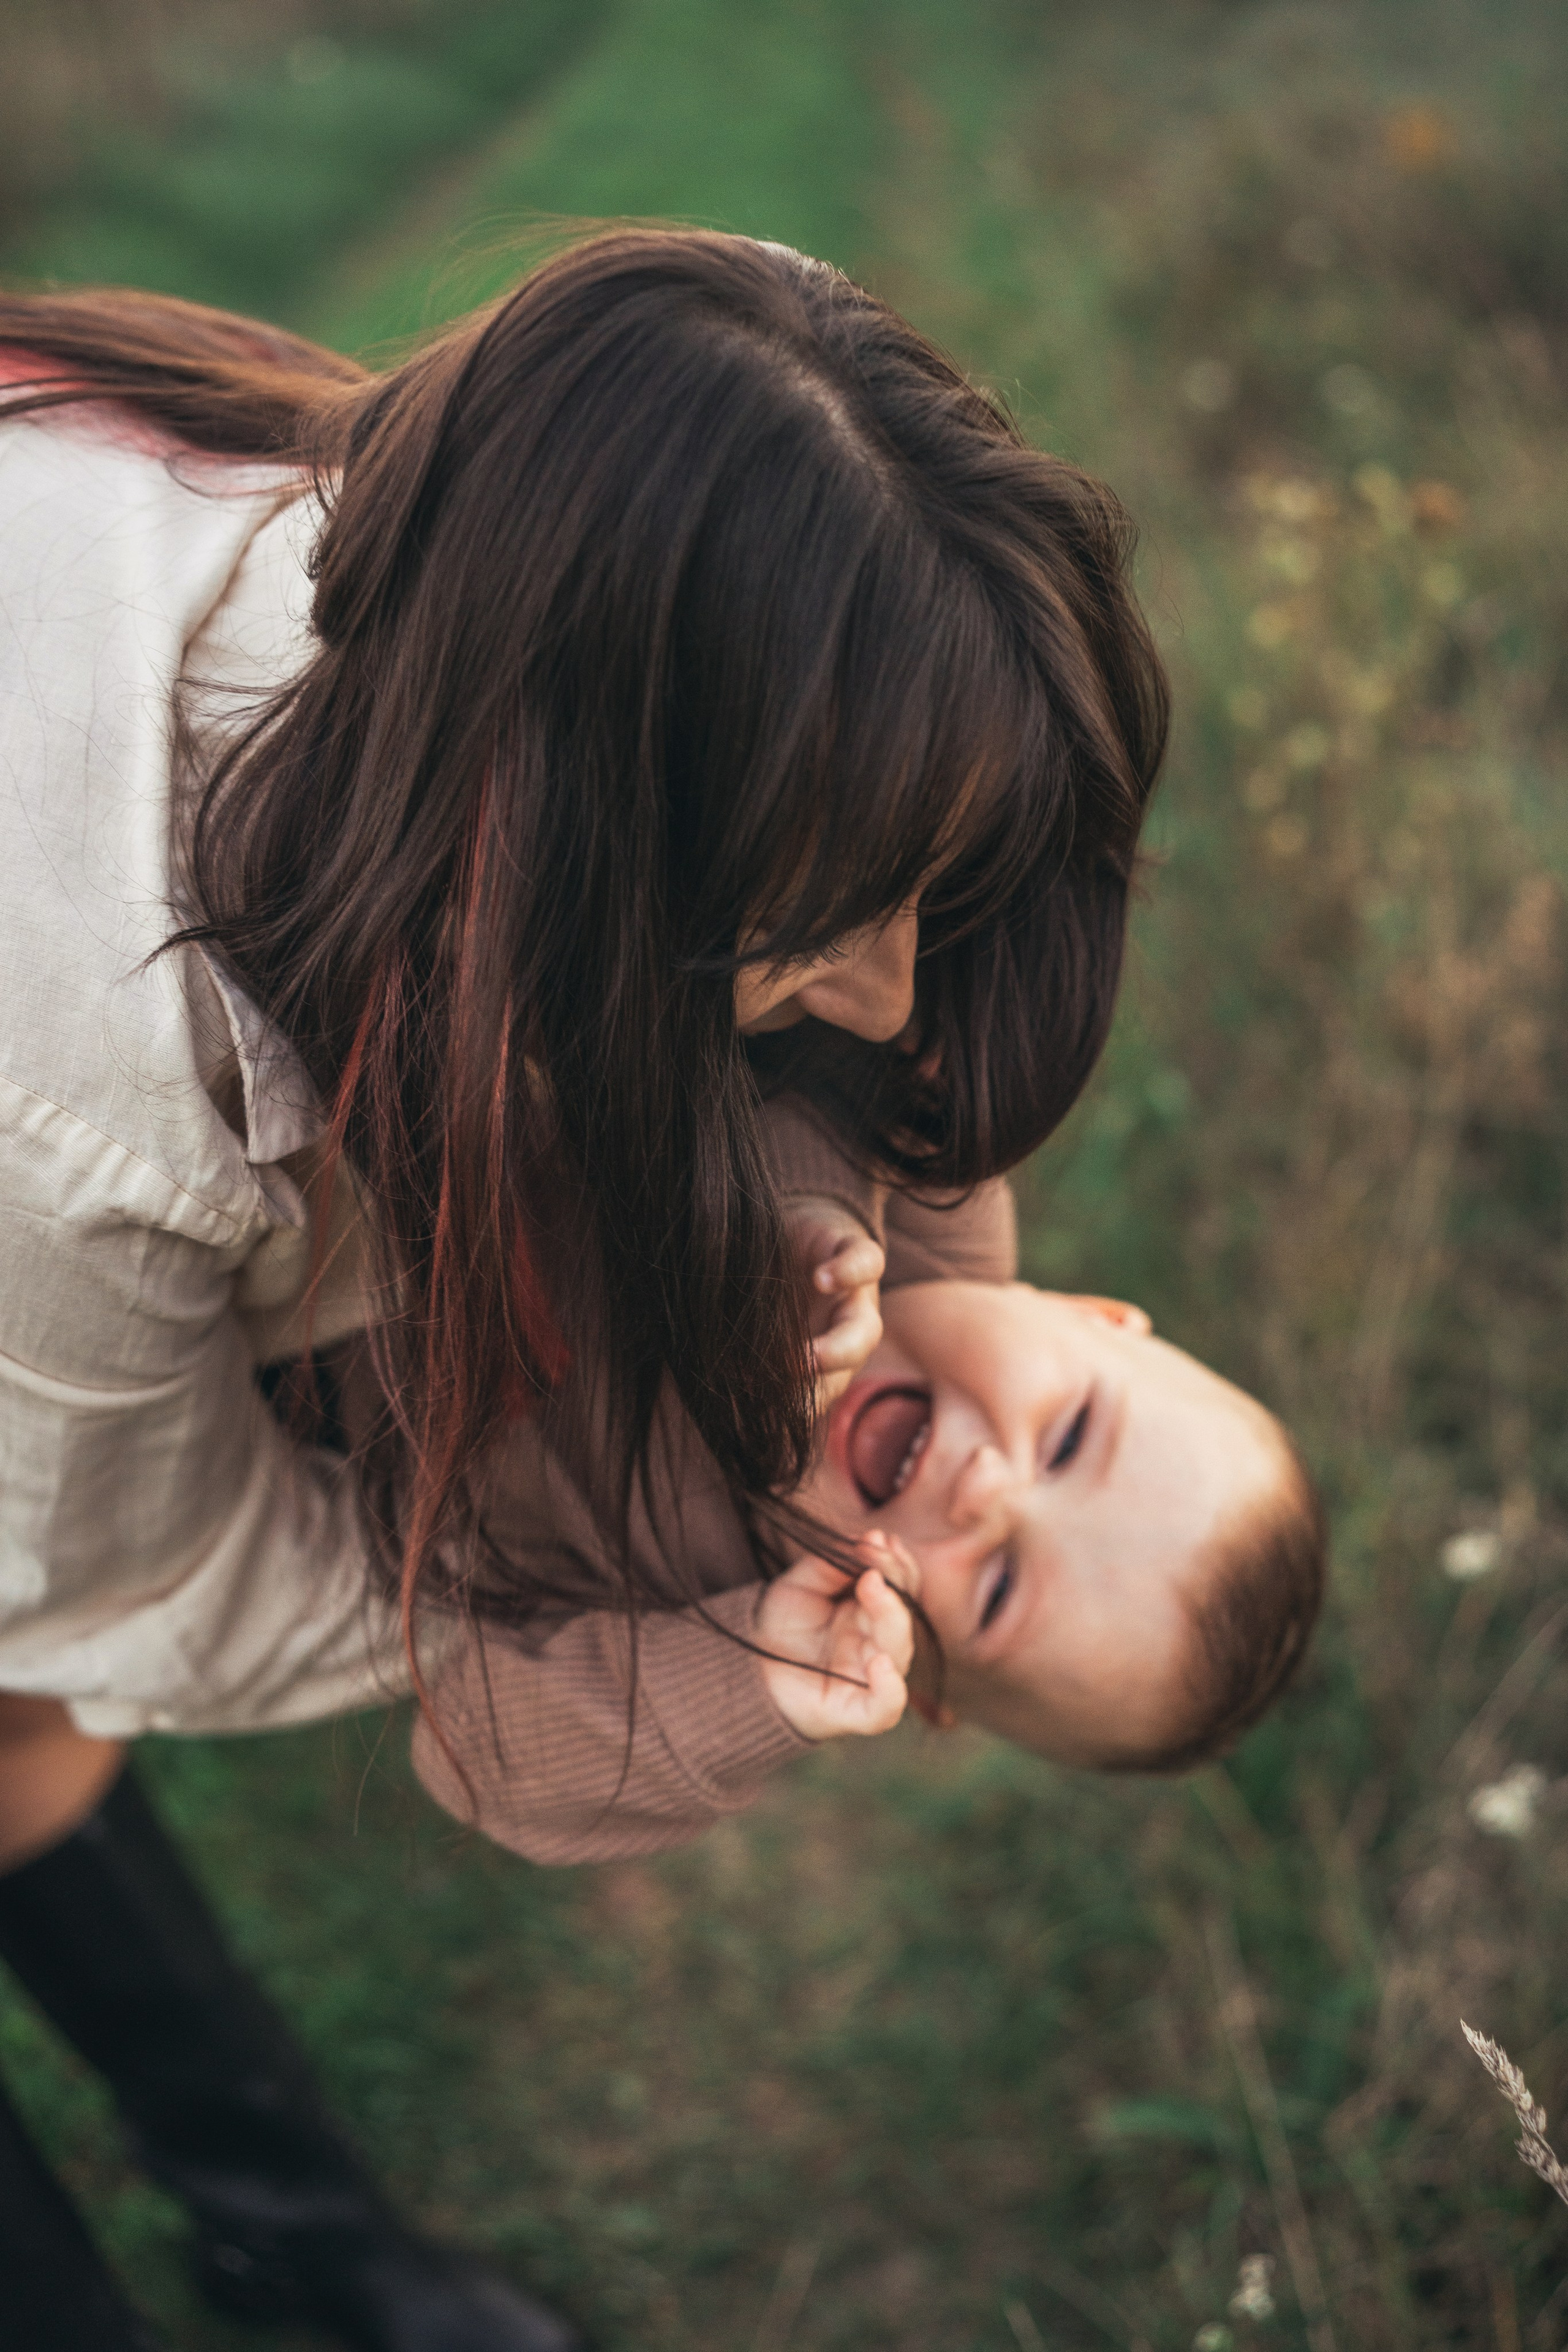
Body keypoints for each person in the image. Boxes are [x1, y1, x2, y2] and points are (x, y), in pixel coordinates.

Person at [0, 228, 1169, 2350]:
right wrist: (641, 1623)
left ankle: (288, 2226)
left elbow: (915, 1166)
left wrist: (884, 1299)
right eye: (830, 912)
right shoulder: (77, 1081)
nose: (893, 991)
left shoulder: (532, 601)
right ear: (568, 843)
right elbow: (123, 1581)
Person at [413, 1273, 1326, 1867]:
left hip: (335, 1434)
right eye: (1069, 1436)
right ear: (1081, 1313)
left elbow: (466, 1757)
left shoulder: (712, 1631)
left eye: (1001, 1587)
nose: (988, 1492)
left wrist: (761, 1678)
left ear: (922, 1687)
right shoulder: (922, 1177)